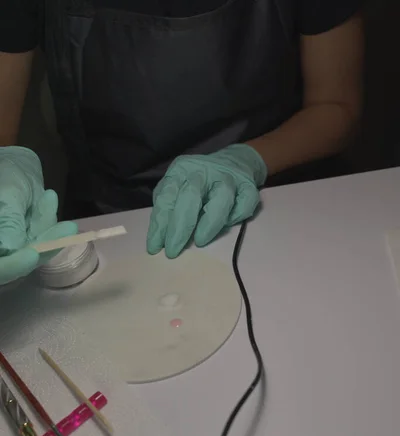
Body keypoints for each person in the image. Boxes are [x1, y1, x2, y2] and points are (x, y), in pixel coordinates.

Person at [0, 0, 364, 286]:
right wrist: (7, 175)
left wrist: (246, 160)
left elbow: (336, 107)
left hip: (273, 204)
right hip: (114, 222)